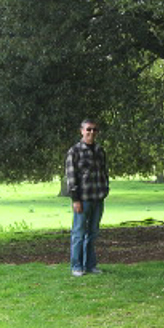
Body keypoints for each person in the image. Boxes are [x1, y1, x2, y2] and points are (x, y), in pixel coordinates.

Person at [64, 118, 109, 276]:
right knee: (78, 233)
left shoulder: (99, 150)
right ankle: (76, 266)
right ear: (82, 131)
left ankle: (90, 265)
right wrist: (75, 199)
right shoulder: (74, 151)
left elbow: (104, 172)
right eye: (88, 129)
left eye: (94, 130)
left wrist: (105, 190)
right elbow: (71, 177)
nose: (91, 132)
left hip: (98, 199)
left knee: (93, 233)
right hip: (82, 199)